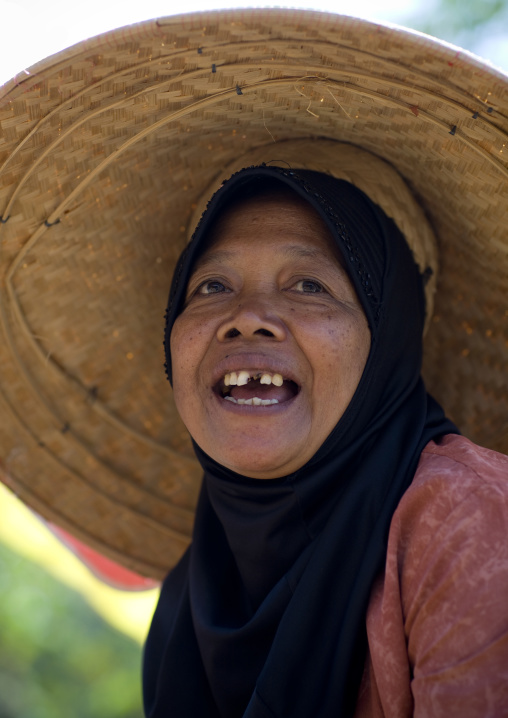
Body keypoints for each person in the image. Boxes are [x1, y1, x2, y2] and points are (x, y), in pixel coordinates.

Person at [0, 8, 507, 718]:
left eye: (309, 285)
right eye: (211, 286)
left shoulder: (471, 520)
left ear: (387, 342)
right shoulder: (192, 597)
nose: (247, 315)